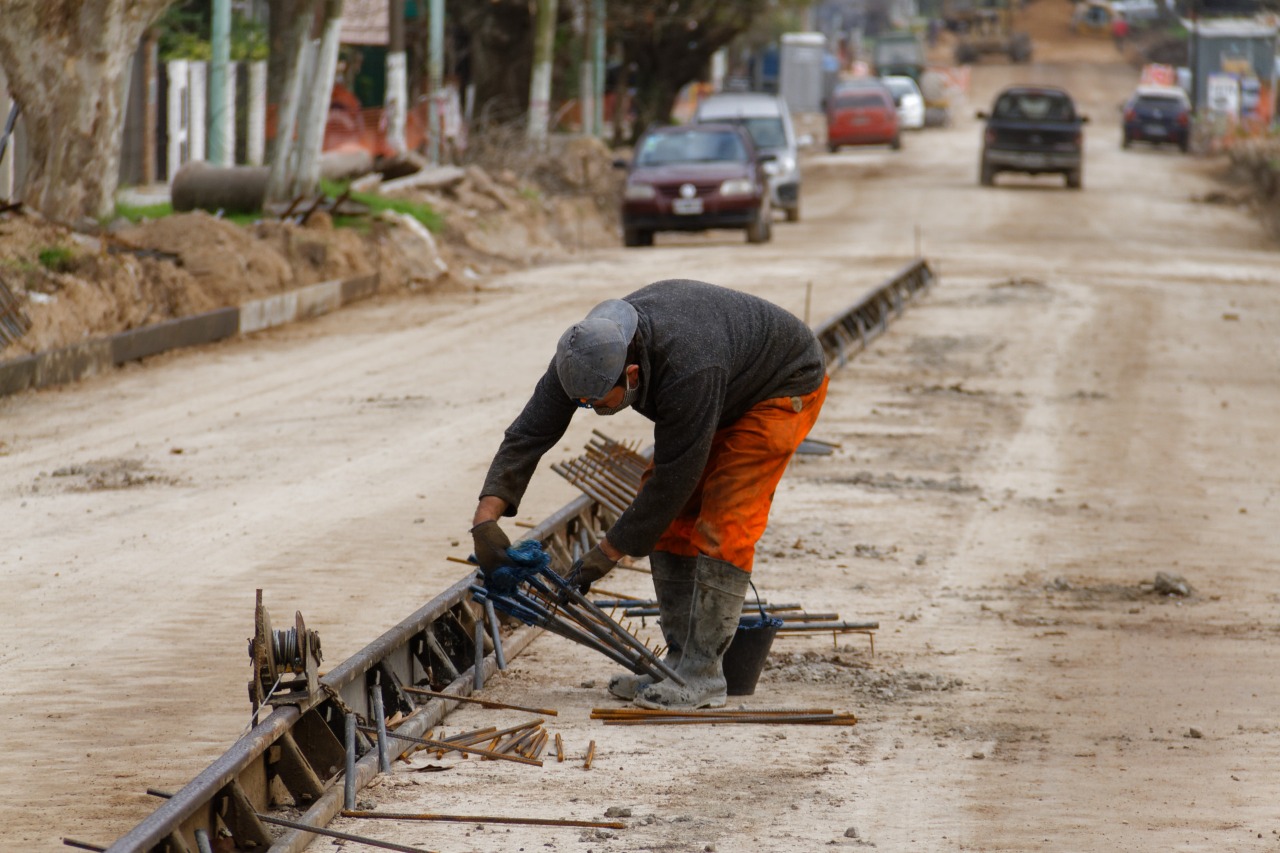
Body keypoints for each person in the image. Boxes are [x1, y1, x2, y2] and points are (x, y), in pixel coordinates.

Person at [469, 279, 829, 710]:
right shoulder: (585, 350)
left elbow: (673, 482)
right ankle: (678, 665)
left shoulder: (689, 366)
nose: (588, 407)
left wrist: (603, 556)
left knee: (724, 520)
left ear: (632, 373)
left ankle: (704, 675)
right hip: (723, 387)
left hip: (781, 386)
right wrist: (485, 519)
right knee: (672, 525)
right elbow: (530, 431)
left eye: (597, 402)